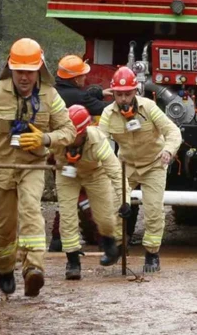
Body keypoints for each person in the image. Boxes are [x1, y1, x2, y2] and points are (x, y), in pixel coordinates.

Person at [0, 38, 76, 297]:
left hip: (32, 165)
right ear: (10, 69)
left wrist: (45, 139)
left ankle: (34, 269)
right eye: (19, 71)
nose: (24, 77)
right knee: (5, 227)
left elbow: (69, 130)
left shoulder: (50, 96)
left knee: (32, 210)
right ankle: (4, 268)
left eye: (29, 71)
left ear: (39, 70)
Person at [98, 66, 182, 272]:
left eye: (128, 94)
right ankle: (117, 247)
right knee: (115, 206)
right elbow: (100, 142)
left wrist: (169, 151)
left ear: (136, 91)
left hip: (154, 164)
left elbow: (173, 131)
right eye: (119, 94)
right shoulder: (108, 114)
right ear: (113, 94)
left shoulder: (149, 107)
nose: (124, 99)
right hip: (125, 165)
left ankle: (152, 254)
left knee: (153, 210)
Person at [52, 105, 128, 280]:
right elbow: (38, 151)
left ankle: (111, 245)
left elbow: (116, 172)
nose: (69, 138)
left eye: (74, 134)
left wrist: (126, 200)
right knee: (67, 216)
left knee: (105, 216)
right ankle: (72, 261)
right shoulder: (57, 138)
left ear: (84, 132)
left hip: (96, 174)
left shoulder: (98, 141)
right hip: (66, 173)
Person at [48, 54, 113, 252]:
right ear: (76, 79)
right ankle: (102, 238)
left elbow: (87, 97)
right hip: (75, 154)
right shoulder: (78, 97)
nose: (85, 78)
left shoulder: (52, 93)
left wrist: (100, 92)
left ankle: (57, 240)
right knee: (85, 195)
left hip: (54, 153)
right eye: (83, 76)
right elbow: (102, 109)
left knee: (67, 195)